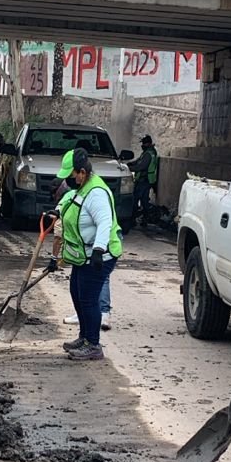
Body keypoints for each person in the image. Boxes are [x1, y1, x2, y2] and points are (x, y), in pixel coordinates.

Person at [57, 148, 123, 362]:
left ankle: (93, 345)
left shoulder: (96, 192)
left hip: (99, 256)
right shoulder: (83, 188)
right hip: (83, 255)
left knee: (88, 299)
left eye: (71, 175)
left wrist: (98, 250)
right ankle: (84, 337)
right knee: (77, 291)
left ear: (82, 173)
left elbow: (105, 222)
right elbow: (73, 207)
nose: (69, 180)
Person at [131, 135, 159, 225]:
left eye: (143, 143)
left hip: (144, 179)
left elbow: (141, 166)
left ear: (148, 143)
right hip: (148, 180)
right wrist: (130, 163)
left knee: (136, 199)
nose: (142, 145)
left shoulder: (148, 154)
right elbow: (138, 161)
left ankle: (133, 219)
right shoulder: (150, 152)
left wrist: (130, 168)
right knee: (144, 200)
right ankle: (144, 219)